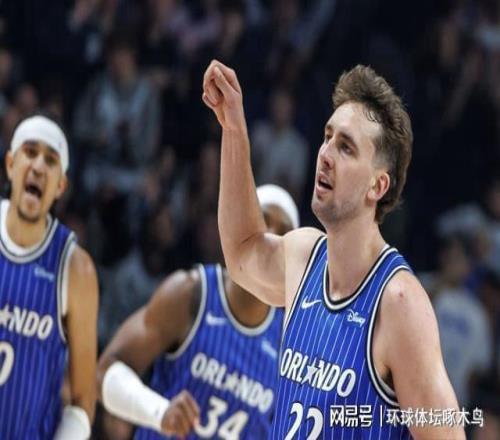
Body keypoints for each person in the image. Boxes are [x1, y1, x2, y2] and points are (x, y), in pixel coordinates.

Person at [202, 60, 465, 439]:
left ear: (377, 186)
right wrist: (233, 128)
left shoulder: (399, 302)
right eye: (327, 137)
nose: (325, 153)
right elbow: (242, 252)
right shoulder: (304, 256)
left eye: (345, 147)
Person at [97, 184, 299, 439]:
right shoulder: (191, 293)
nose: (272, 235)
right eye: (264, 220)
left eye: (284, 233)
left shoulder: (290, 342)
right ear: (242, 224)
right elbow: (105, 372)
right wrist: (159, 411)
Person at [0, 114, 99, 439]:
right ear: (11, 164)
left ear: (60, 186)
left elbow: (83, 401)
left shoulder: (76, 269)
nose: (39, 167)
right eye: (30, 152)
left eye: (51, 160)